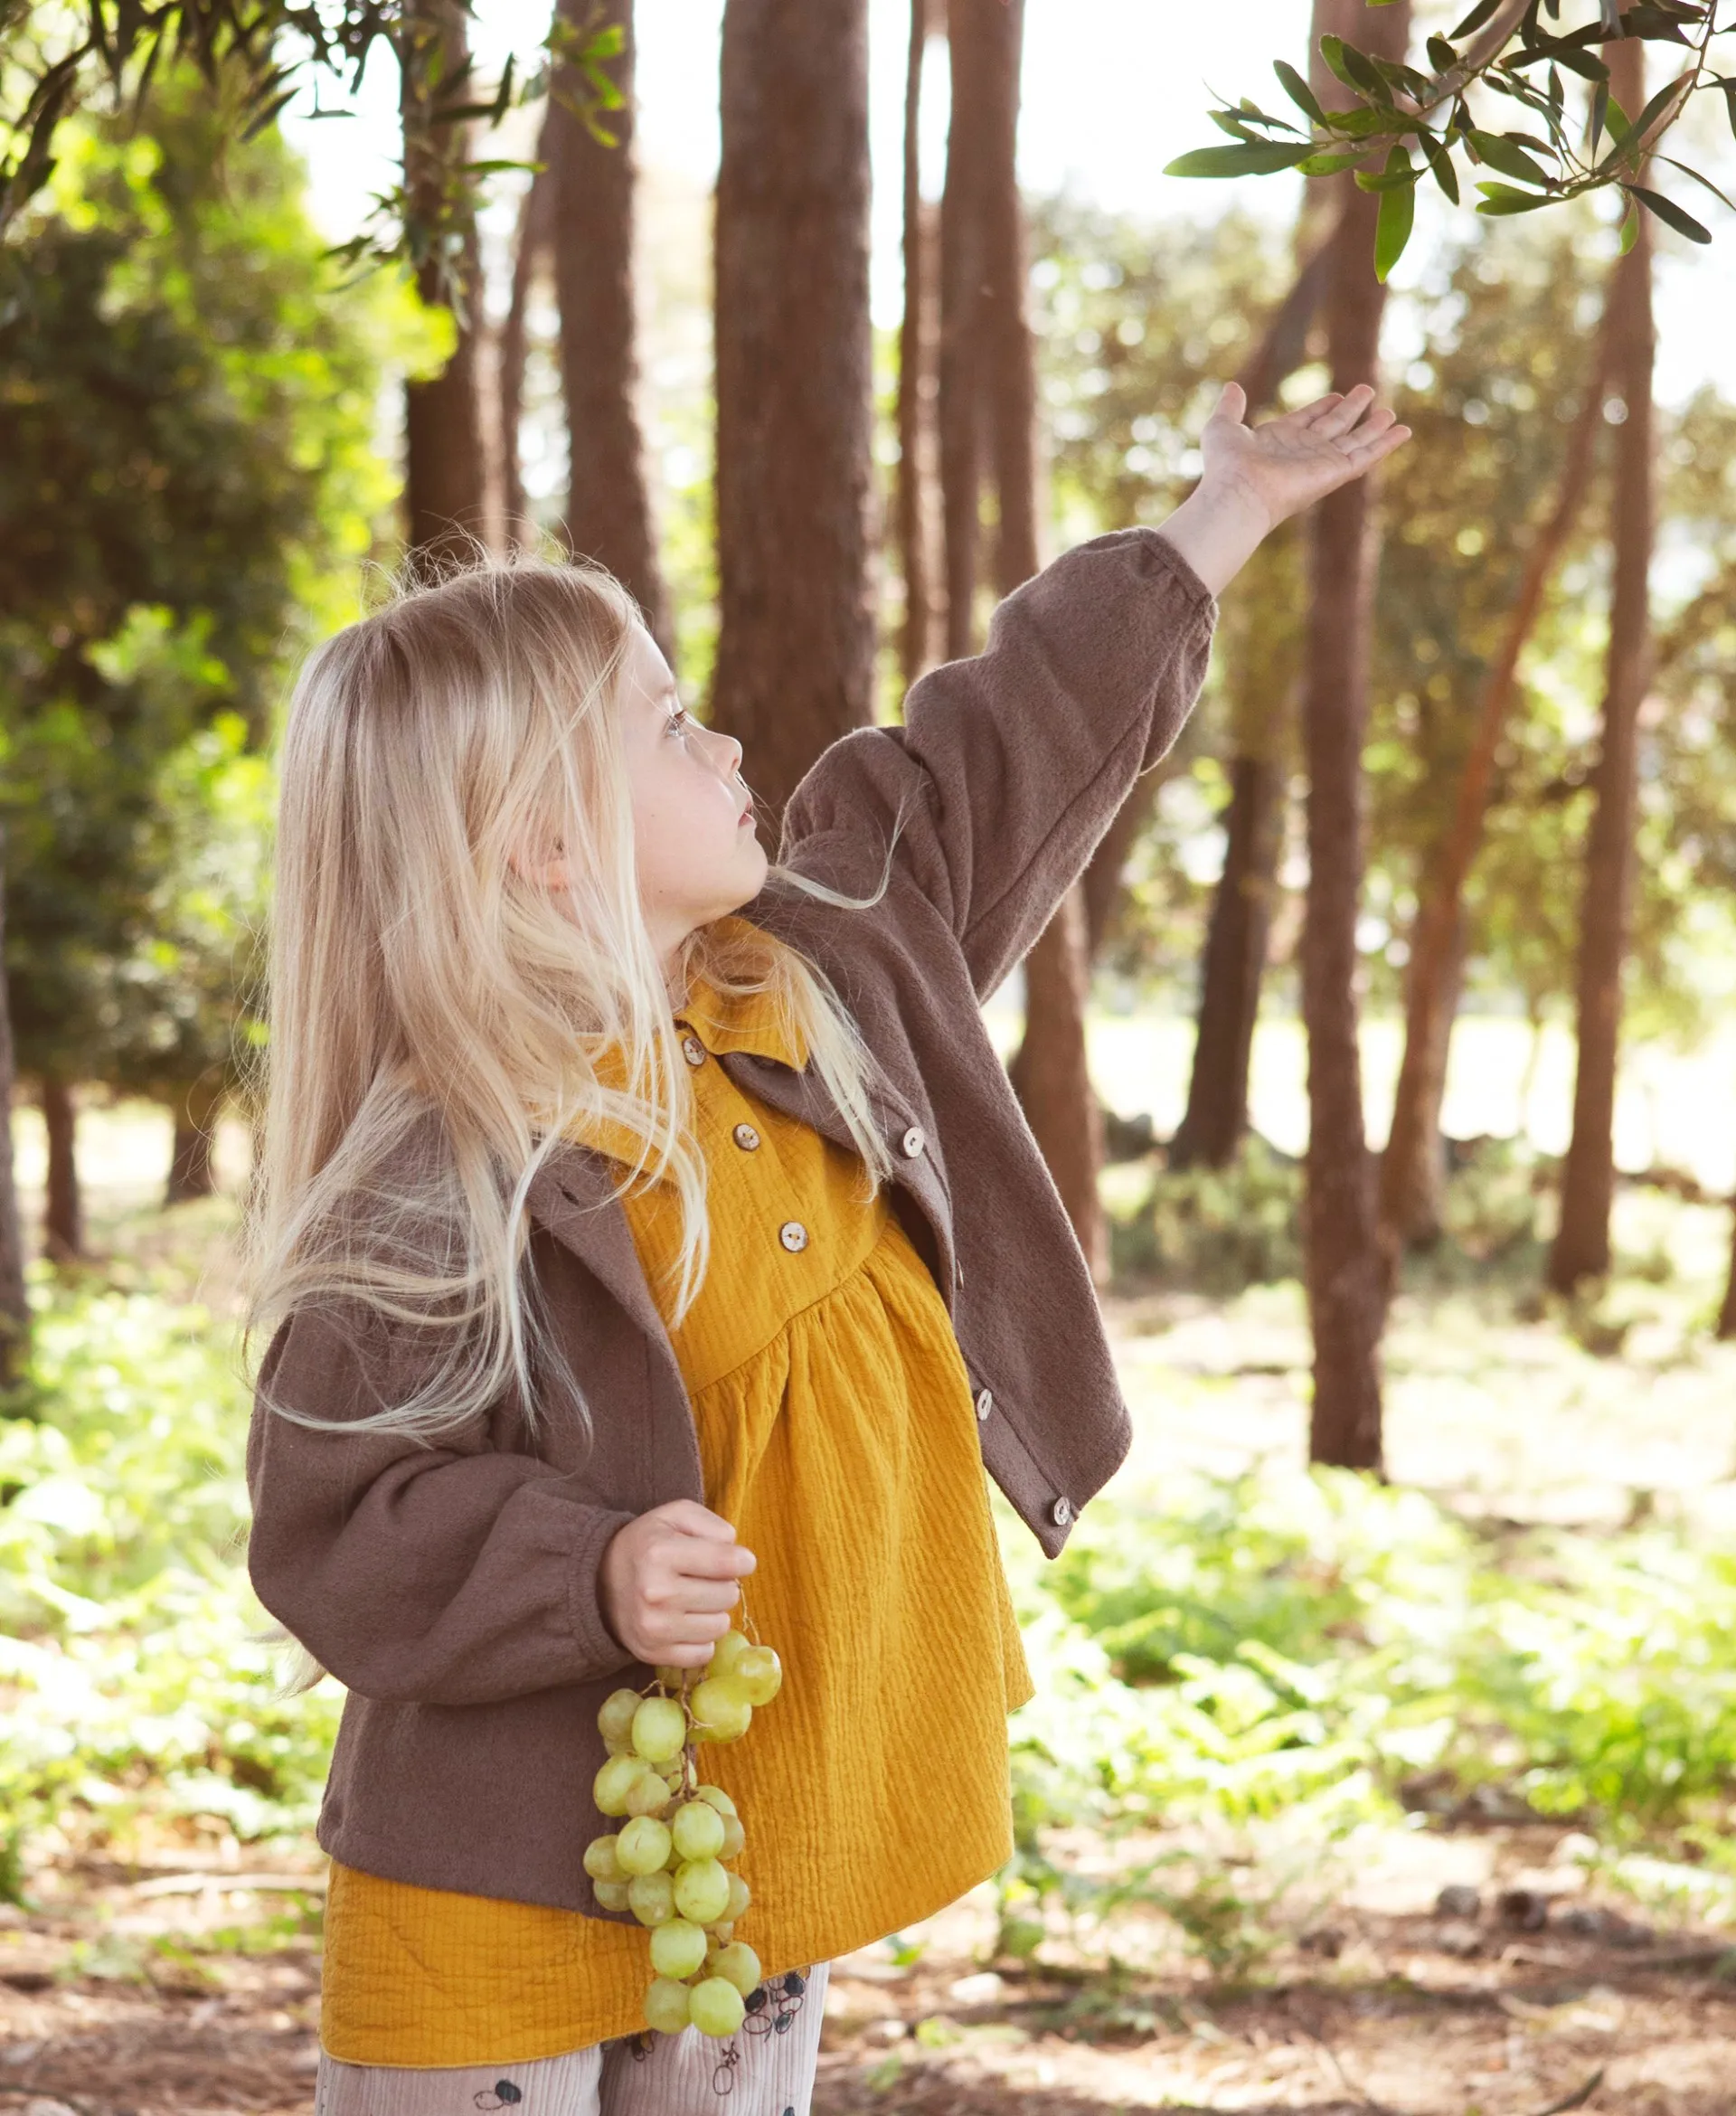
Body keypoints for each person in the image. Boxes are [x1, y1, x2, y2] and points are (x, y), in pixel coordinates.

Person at [244, 380, 1409, 2116]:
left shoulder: (827, 967)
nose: (726, 751)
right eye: (670, 724)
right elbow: (335, 1519)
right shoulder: (442, 1171)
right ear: (545, 846)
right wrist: (589, 1575)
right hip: (496, 1880)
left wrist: (1220, 513)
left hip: (757, 1839)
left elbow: (994, 745)